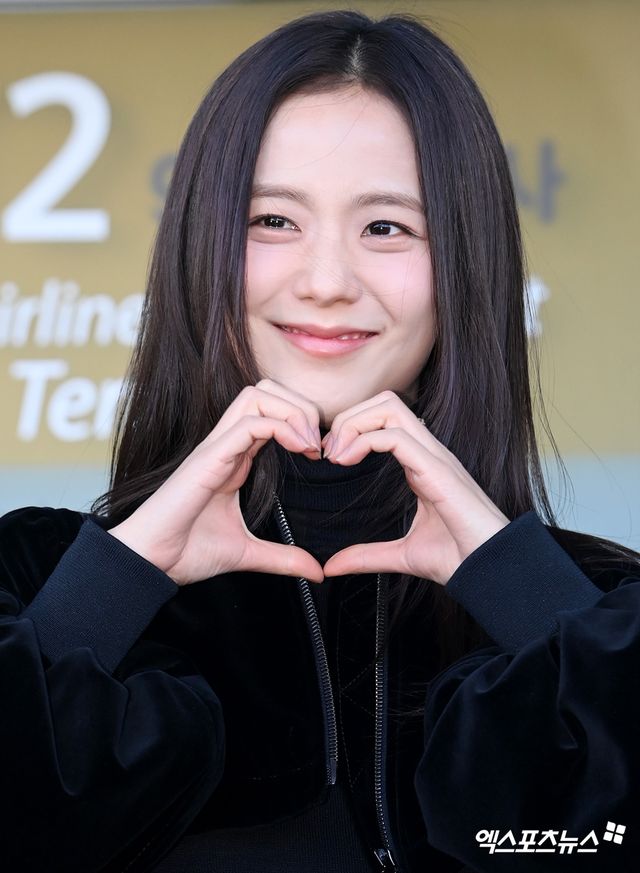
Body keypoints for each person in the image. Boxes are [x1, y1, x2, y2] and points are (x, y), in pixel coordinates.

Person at [1, 9, 638, 873]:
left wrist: (519, 585)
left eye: (386, 227)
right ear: (201, 244)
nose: (328, 282)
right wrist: (118, 581)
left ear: (465, 262)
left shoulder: (603, 607)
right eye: (272, 221)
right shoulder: (35, 583)